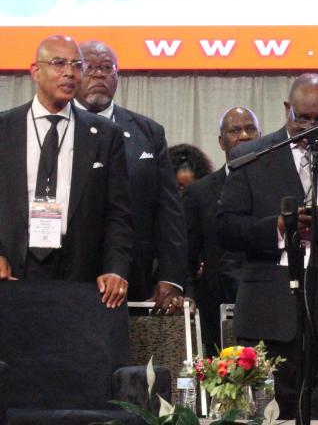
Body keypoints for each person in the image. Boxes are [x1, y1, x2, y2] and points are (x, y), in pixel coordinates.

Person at [218, 75, 318, 422]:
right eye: (302, 118)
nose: (310, 128)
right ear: (286, 110)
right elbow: (226, 228)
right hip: (269, 313)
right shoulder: (251, 156)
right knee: (268, 415)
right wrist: (278, 227)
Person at [0, 35, 134, 308]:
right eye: (59, 63)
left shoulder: (105, 134)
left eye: (76, 65)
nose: (70, 73)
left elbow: (118, 213)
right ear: (35, 71)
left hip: (81, 277)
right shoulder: (5, 128)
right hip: (12, 273)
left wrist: (116, 268)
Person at [75, 40, 187, 313]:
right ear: (74, 74)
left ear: (117, 76)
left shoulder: (148, 132)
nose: (99, 74)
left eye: (106, 67)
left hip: (134, 273)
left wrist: (171, 276)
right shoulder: (58, 127)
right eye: (89, 67)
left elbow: (169, 210)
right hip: (70, 270)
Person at [183, 106, 260, 353]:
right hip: (213, 309)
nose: (244, 136)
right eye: (235, 130)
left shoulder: (275, 184)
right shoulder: (199, 192)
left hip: (264, 305)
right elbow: (188, 254)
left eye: (250, 129)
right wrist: (189, 295)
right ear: (221, 141)